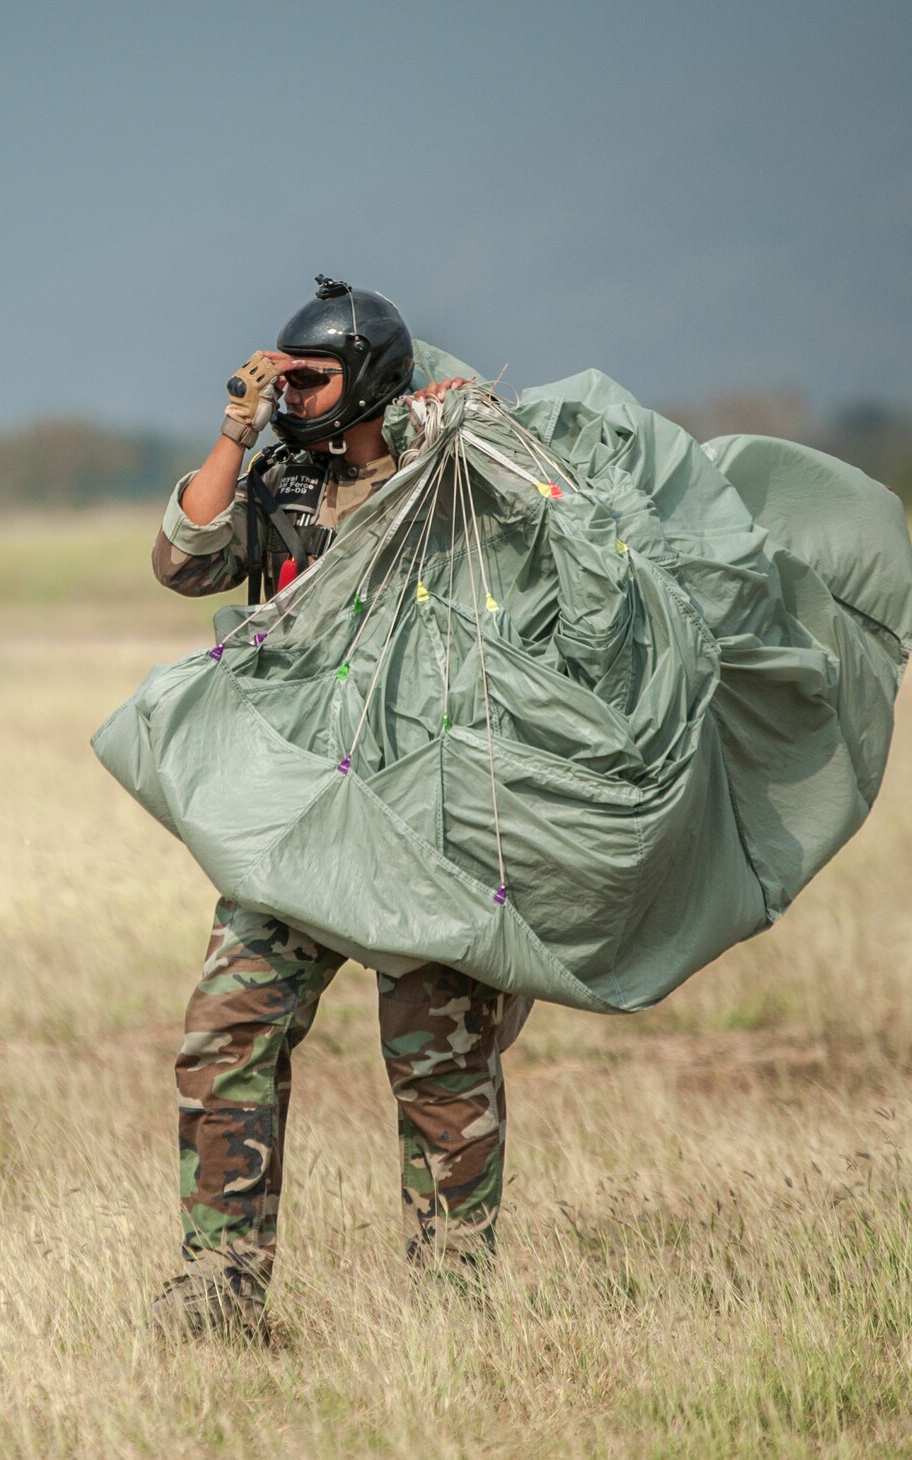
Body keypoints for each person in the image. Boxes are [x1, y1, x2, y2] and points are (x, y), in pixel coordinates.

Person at [147, 277, 532, 1340]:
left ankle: (451, 1302)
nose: (288, 396)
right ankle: (218, 1286)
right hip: (299, 824)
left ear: (365, 376)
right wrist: (231, 433)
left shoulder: (450, 482)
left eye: (308, 379)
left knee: (438, 1064)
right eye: (280, 379)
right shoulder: (274, 485)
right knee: (225, 1032)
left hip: (422, 815)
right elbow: (180, 563)